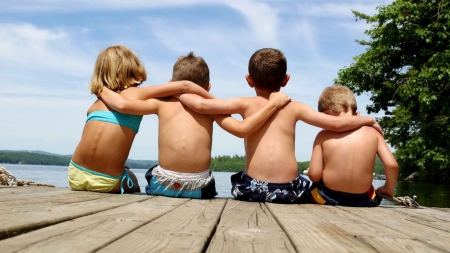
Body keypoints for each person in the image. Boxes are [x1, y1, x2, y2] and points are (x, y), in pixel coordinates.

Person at [177, 48, 384, 204]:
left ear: (249, 80)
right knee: (314, 185)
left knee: (240, 178)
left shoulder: (244, 103)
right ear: (286, 80)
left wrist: (175, 91)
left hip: (252, 190)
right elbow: (337, 124)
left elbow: (202, 104)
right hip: (289, 191)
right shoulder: (294, 107)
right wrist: (369, 120)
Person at [98, 52, 291, 198]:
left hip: (162, 186)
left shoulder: (161, 103)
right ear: (208, 87)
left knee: (149, 172)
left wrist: (102, 90)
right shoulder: (212, 109)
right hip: (199, 188)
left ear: (171, 83)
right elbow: (241, 129)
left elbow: (123, 105)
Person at [69, 45, 213, 194]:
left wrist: (100, 88)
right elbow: (184, 85)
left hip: (75, 175)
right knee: (133, 179)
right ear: (134, 68)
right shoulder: (138, 94)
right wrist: (214, 102)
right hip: (109, 182)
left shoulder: (98, 101)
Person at [307, 85, 398, 207]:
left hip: (327, 197)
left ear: (326, 115)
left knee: (307, 189)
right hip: (364, 200)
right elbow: (392, 165)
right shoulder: (374, 133)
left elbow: (314, 175)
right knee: (372, 193)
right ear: (358, 115)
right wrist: (388, 187)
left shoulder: (323, 135)